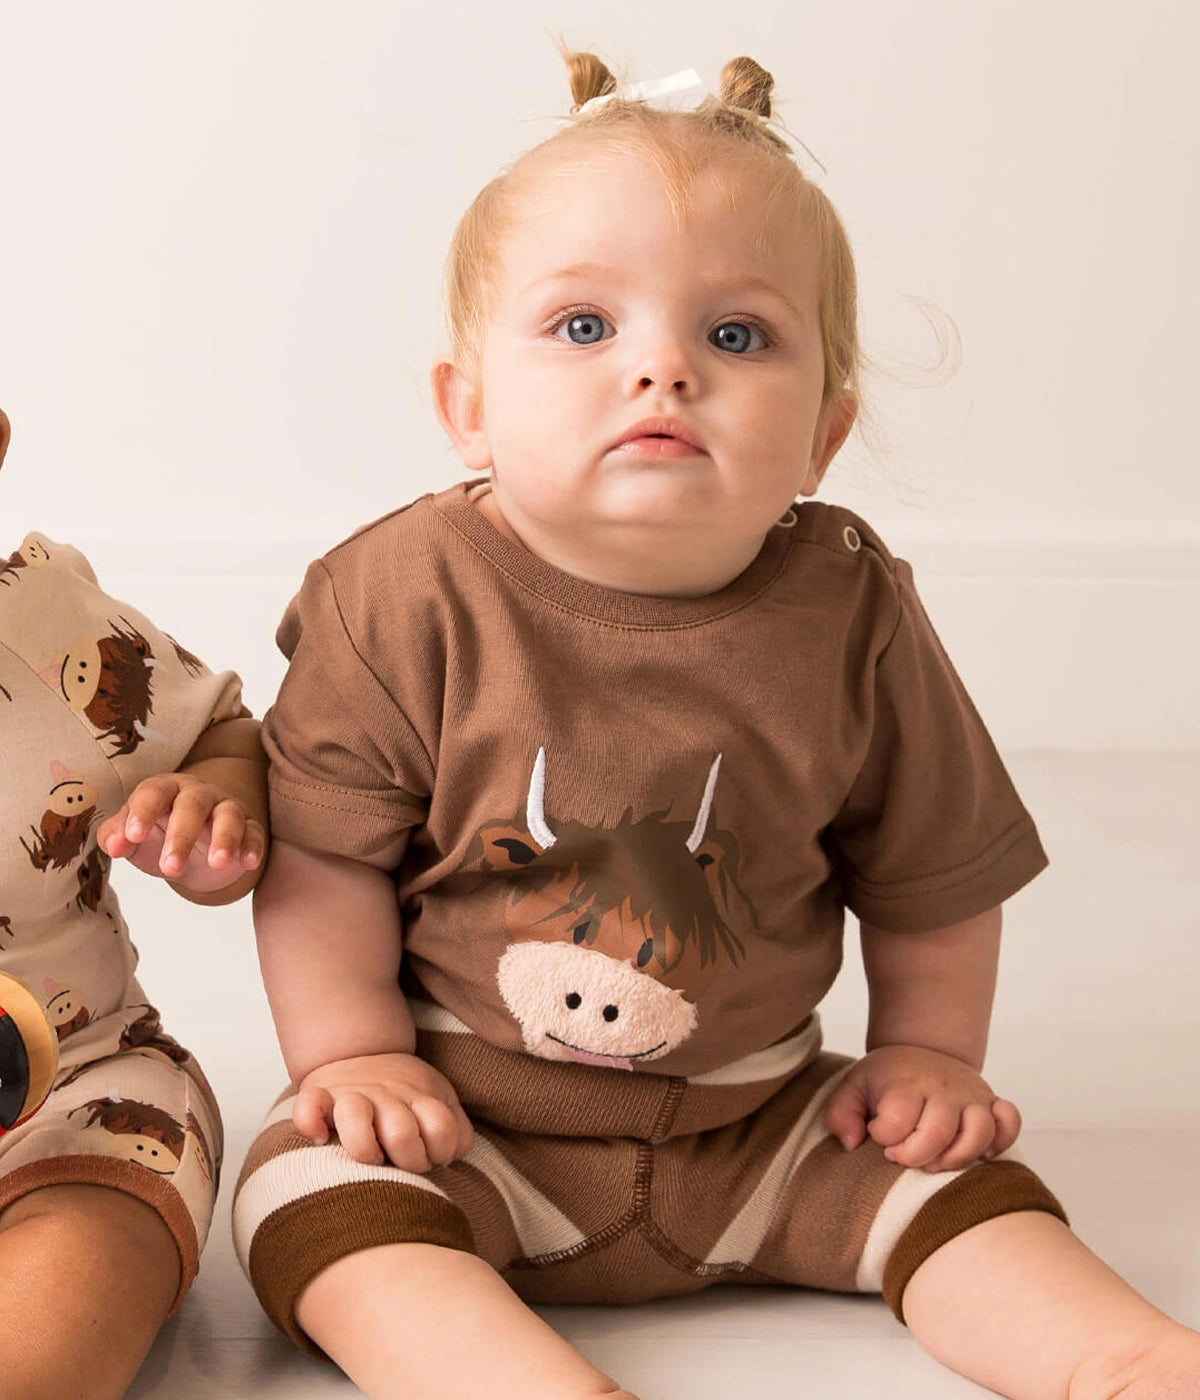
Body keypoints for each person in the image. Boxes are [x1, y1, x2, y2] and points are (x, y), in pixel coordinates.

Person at [234, 52, 1200, 1400]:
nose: (662, 371)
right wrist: (353, 1055)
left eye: (736, 337)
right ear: (468, 408)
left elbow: (933, 864)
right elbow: (323, 852)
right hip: (469, 1122)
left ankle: (1126, 1362)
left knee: (960, 1185)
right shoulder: (398, 594)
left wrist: (929, 1054)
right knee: (309, 1188)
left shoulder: (849, 607)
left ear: (824, 436)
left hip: (767, 1128)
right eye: (584, 326)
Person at [0, 407, 269, 1400]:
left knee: (80, 1271)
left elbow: (217, 730)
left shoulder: (46, 630)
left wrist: (207, 813)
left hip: (71, 1090)